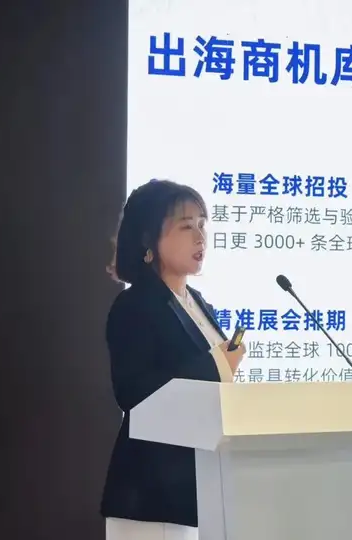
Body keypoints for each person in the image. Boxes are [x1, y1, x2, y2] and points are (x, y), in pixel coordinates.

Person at [101, 179, 246, 540]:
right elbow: (134, 393)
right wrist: (216, 367)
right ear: (148, 239)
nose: (200, 237)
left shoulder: (199, 303)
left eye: (202, 224)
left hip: (203, 489)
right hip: (152, 496)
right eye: (185, 226)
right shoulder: (134, 305)